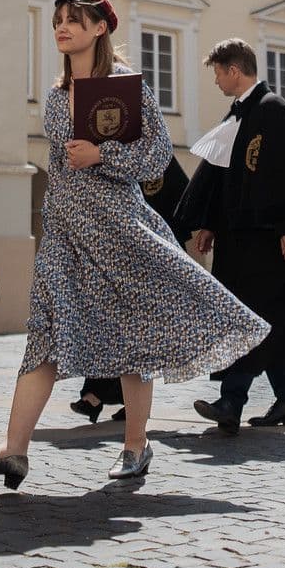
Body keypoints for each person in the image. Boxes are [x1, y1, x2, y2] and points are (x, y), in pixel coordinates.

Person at [0, 0, 267, 487]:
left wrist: (102, 155)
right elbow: (60, 167)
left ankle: (136, 446)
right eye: (58, 20)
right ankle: (13, 451)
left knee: (132, 338)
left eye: (73, 20)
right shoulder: (56, 96)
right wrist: (53, 218)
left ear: (100, 27)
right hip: (64, 234)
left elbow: (156, 158)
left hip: (118, 230)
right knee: (44, 334)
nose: (62, 27)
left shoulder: (126, 88)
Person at [179, 38, 285, 434]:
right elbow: (225, 177)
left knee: (253, 316)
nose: (216, 81)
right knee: (260, 318)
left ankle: (232, 400)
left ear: (234, 70)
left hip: (271, 238)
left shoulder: (274, 110)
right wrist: (210, 224)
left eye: (218, 73)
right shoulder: (238, 115)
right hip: (239, 240)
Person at [71, 157, 192, 425]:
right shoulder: (113, 159)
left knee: (135, 336)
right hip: (119, 261)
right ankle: (99, 396)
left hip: (151, 264)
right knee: (109, 329)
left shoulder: (158, 159)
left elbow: (180, 204)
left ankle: (116, 400)